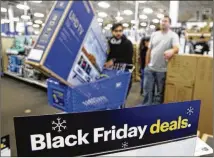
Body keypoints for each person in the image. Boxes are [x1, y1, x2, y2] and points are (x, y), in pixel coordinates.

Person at [143, 15, 180, 106]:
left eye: (165, 21)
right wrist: (146, 65)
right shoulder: (154, 34)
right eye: (162, 21)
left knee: (159, 93)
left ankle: (155, 112)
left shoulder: (173, 36)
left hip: (163, 70)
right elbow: (149, 50)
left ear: (170, 24)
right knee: (147, 90)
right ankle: (145, 109)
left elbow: (177, 48)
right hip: (150, 68)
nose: (163, 23)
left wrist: (172, 51)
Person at [104, 23, 133, 98]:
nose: (118, 33)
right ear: (112, 32)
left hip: (124, 74)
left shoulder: (127, 43)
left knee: (121, 97)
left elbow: (128, 58)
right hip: (112, 74)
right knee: (112, 97)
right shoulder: (109, 43)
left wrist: (113, 60)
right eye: (116, 31)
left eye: (120, 31)